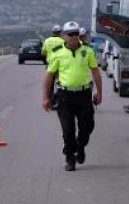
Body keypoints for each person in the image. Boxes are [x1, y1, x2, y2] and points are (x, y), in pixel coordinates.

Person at [43, 21, 103, 171]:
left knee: (87, 127)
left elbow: (95, 72)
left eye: (76, 33)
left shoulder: (87, 51)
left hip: (83, 95)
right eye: (70, 34)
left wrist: (99, 93)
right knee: (68, 129)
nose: (74, 37)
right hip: (65, 96)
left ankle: (80, 146)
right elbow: (49, 76)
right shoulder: (57, 52)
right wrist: (45, 97)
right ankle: (70, 158)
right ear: (64, 36)